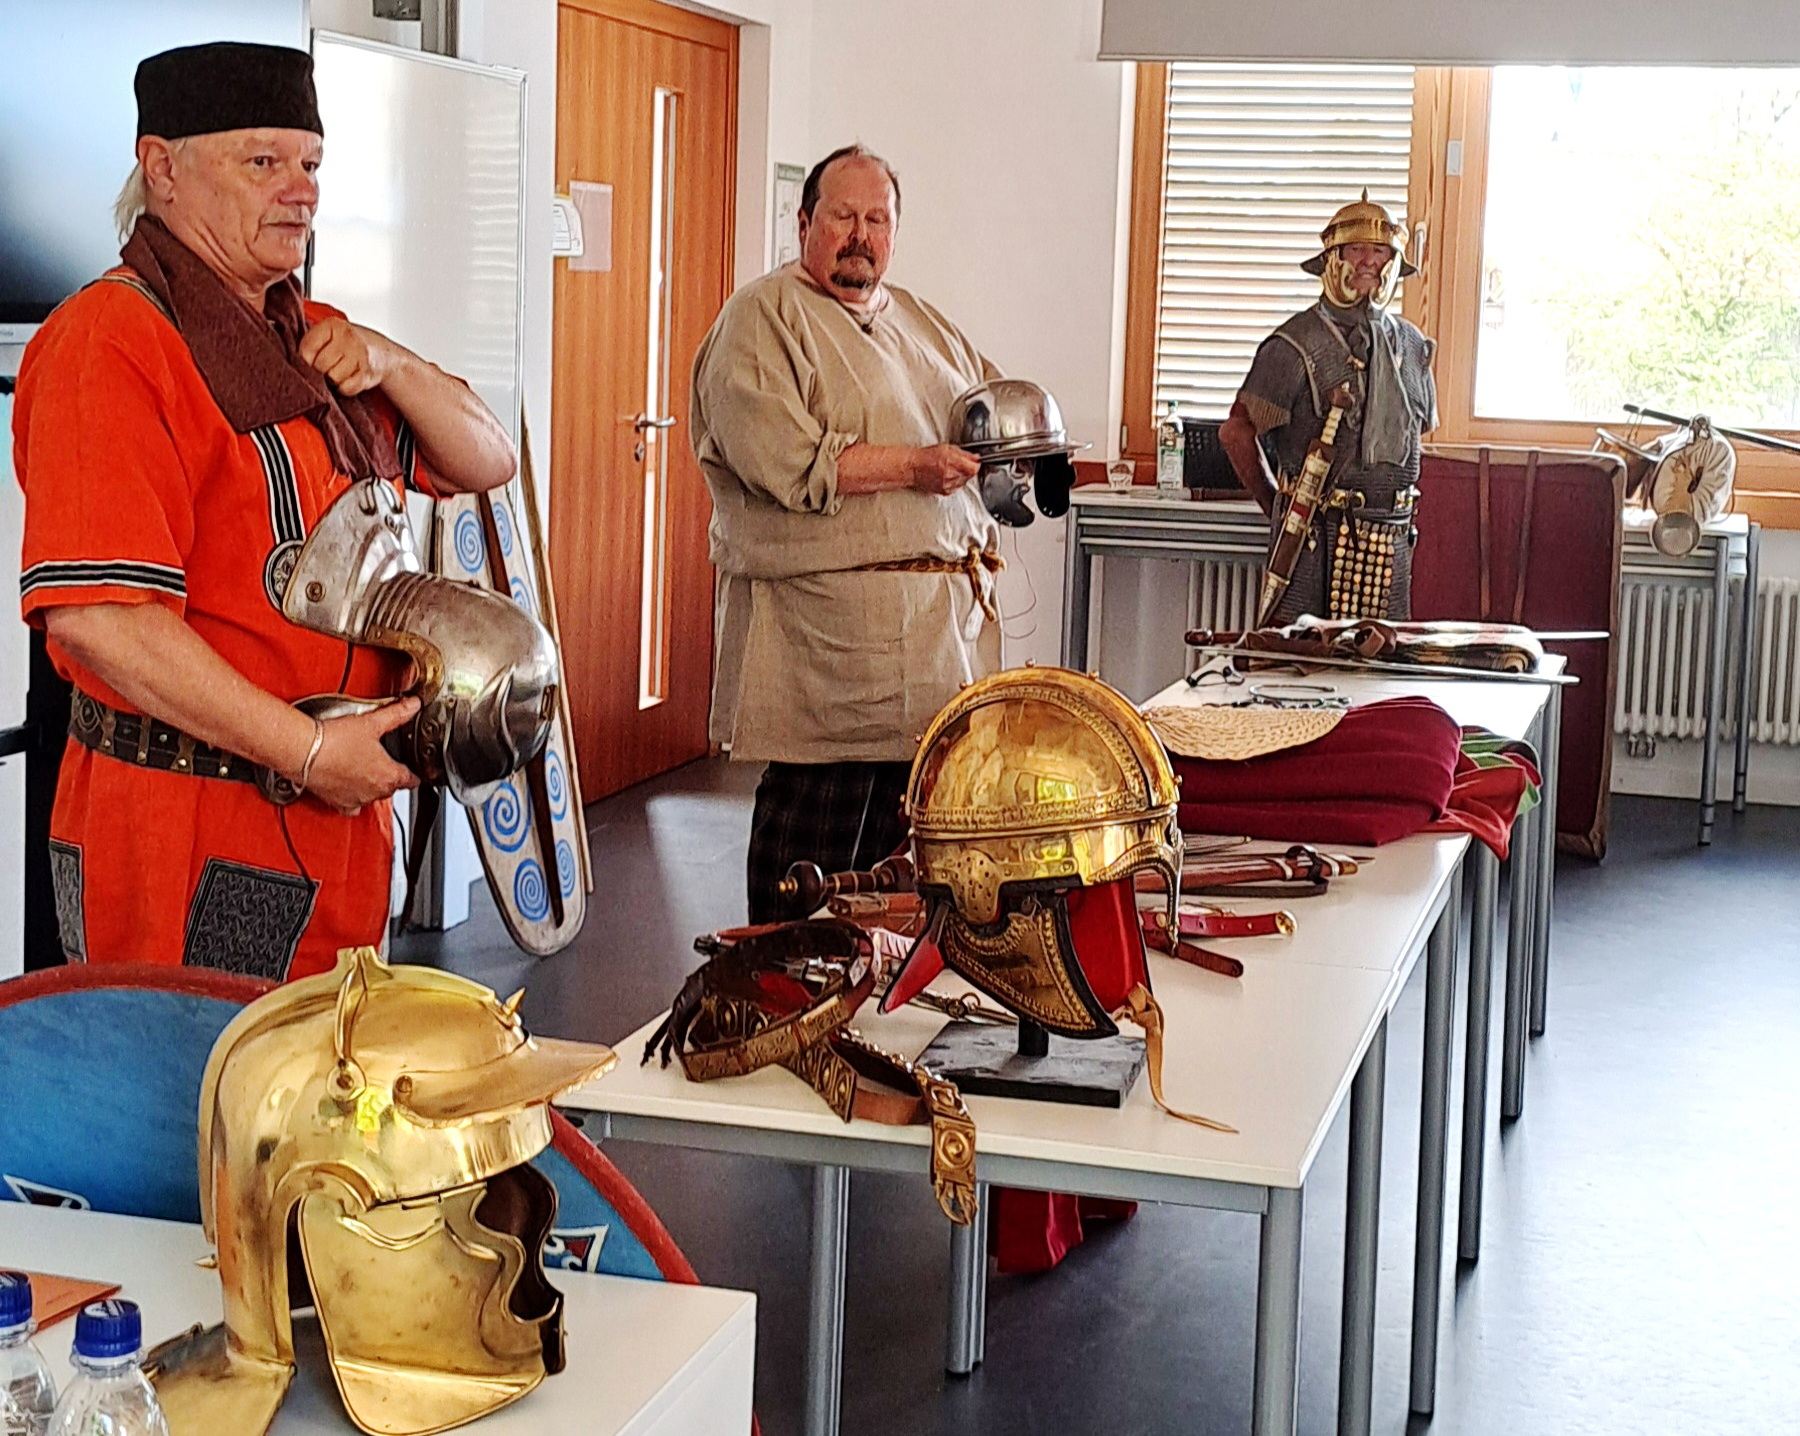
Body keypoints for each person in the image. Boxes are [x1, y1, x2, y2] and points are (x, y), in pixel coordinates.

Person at [12, 42, 517, 980]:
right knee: (197, 1070)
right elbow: (101, 621)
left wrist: (394, 362)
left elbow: (487, 458)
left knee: (320, 1068)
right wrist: (312, 749)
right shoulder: (108, 340)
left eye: (311, 164)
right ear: (163, 167)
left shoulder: (307, 336)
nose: (302, 192)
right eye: (263, 162)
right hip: (186, 828)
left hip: (333, 825)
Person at [690, 144, 1003, 923]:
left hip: (933, 649)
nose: (860, 236)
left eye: (877, 219)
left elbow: (993, 414)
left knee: (897, 874)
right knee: (810, 865)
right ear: (804, 222)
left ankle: (873, 992)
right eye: (842, 216)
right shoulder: (761, 319)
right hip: (823, 649)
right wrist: (916, 466)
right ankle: (774, 987)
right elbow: (786, 461)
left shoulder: (922, 323)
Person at [1219, 191, 1438, 622]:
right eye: (1356, 249)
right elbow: (1235, 433)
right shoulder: (1293, 345)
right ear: (1332, 259)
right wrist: (1280, 507)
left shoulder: (1412, 347)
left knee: (1382, 658)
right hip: (1315, 542)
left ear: (1395, 262)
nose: (1369, 261)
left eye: (1380, 251)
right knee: (1300, 654)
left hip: (1390, 543)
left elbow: (1419, 438)